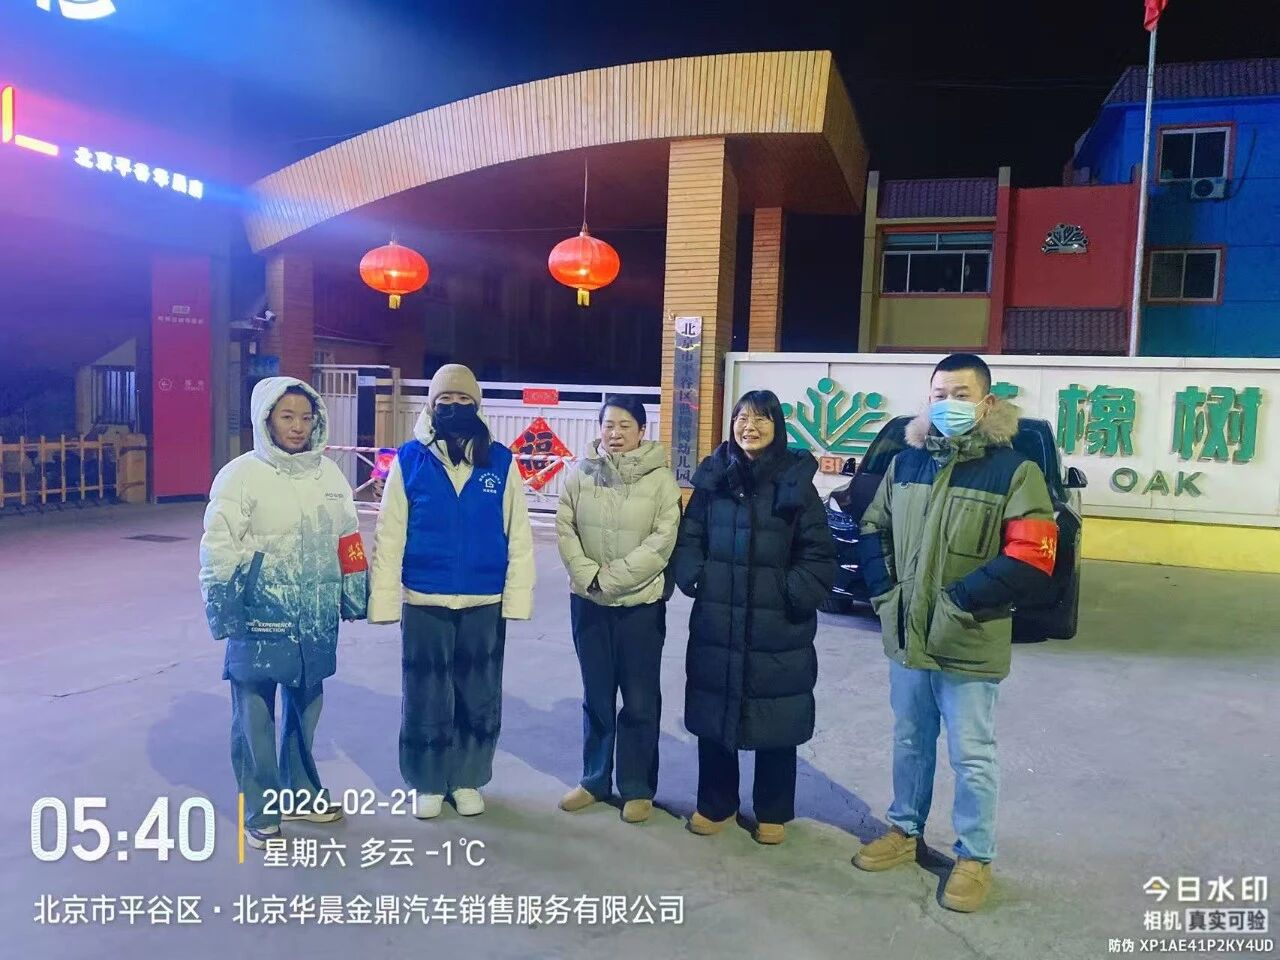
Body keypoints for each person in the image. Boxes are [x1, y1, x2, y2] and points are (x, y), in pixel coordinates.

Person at [853, 352, 1058, 913]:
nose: (949, 405)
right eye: (940, 395)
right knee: (910, 740)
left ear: (986, 403)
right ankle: (904, 828)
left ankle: (975, 856)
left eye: (961, 395)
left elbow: (1031, 556)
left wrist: (958, 602)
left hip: (968, 637)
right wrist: (885, 593)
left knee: (972, 754)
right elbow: (873, 528)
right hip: (907, 636)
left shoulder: (1014, 471)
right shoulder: (907, 462)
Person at [199, 377, 368, 849]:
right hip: (260, 613)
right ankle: (261, 807)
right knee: (254, 714)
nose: (297, 427)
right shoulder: (240, 476)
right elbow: (218, 546)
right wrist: (222, 606)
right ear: (266, 419)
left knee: (306, 709)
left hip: (314, 617)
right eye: (287, 417)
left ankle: (301, 793)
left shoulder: (329, 476)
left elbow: (349, 537)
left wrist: (354, 591)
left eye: (305, 417)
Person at [369, 363, 535, 819]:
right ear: (432, 406)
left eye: (464, 401)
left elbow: (518, 534)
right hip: (426, 597)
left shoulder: (500, 461)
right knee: (426, 693)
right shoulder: (409, 460)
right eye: (446, 401)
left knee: (479, 694)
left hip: (484, 599)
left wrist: (517, 597)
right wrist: (384, 600)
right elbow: (389, 533)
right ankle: (426, 780)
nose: (455, 408)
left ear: (477, 406)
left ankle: (467, 778)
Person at [671, 389, 836, 845]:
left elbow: (819, 555)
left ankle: (772, 810)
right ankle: (716, 803)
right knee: (715, 709)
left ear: (777, 427)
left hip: (777, 624)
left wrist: (788, 593)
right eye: (742, 417)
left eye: (762, 418)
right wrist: (696, 577)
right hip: (718, 617)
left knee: (776, 716)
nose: (750, 427)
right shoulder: (714, 479)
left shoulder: (795, 483)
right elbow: (690, 538)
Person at [555, 395, 682, 824]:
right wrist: (588, 576)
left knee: (640, 700)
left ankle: (637, 788)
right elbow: (565, 527)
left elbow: (662, 542)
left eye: (625, 425)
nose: (615, 433)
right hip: (588, 604)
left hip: (639, 607)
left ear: (642, 431)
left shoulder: (662, 481)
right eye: (609, 424)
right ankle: (594, 779)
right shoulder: (581, 473)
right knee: (596, 695)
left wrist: (609, 579)